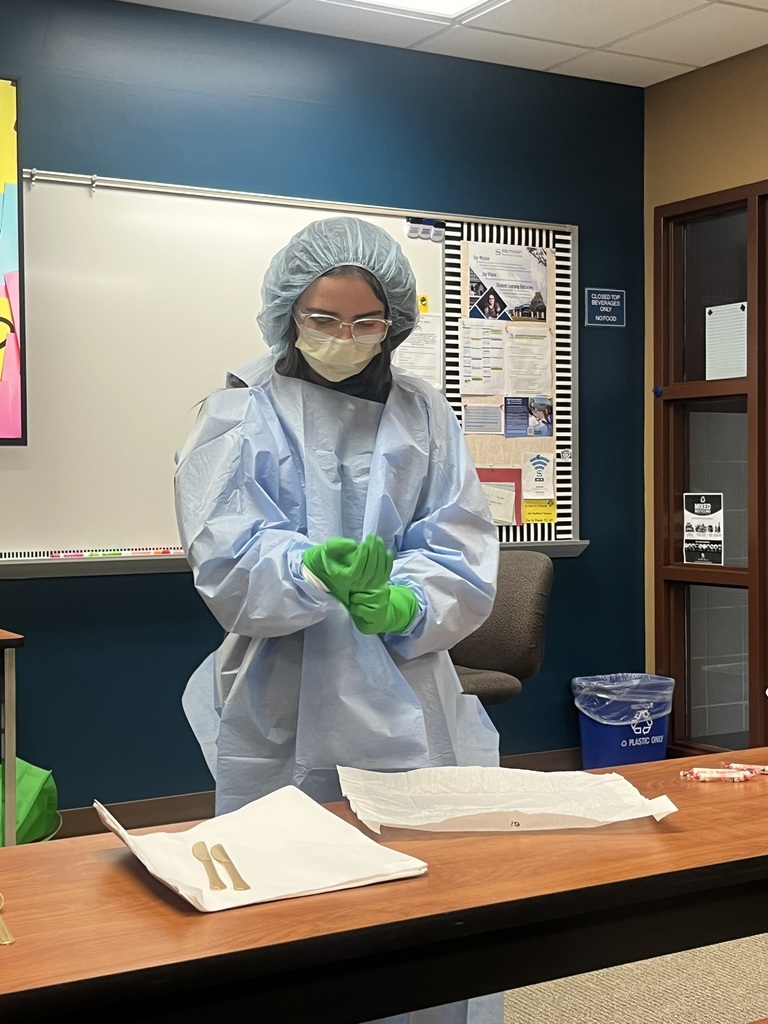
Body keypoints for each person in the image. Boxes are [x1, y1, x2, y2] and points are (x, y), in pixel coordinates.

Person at [174, 216, 503, 1022]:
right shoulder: (238, 412)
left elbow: (459, 543)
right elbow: (224, 557)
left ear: (393, 321)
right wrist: (303, 567)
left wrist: (405, 601)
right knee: (284, 907)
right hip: (280, 691)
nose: (343, 337)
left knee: (419, 898)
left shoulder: (425, 414)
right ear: (290, 312)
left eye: (365, 322)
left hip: (406, 686)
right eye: (323, 319)